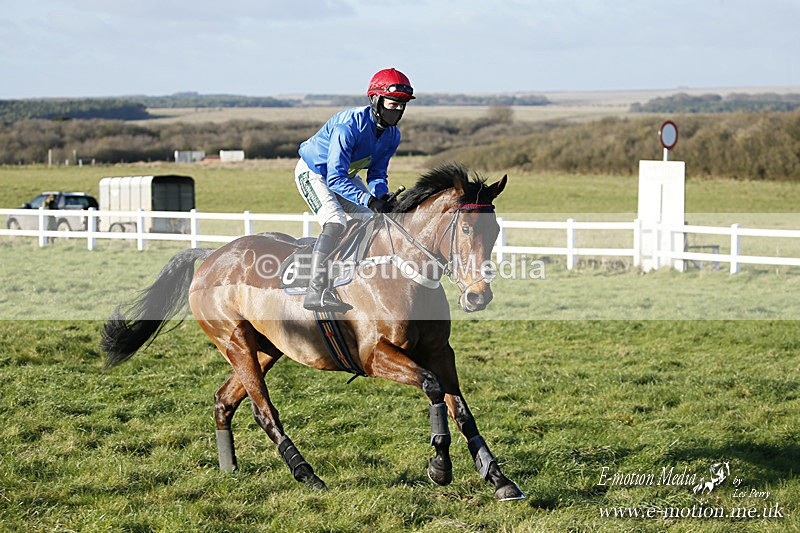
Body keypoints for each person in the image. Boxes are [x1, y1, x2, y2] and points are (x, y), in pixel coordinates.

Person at [294, 67, 414, 313]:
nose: (398, 110)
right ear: (375, 100)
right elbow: (335, 178)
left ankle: (362, 277)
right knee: (335, 221)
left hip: (344, 176)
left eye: (402, 105)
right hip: (315, 174)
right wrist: (368, 199)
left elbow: (377, 174)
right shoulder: (348, 127)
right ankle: (315, 291)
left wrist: (381, 197)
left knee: (375, 221)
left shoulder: (392, 134)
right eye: (393, 104)